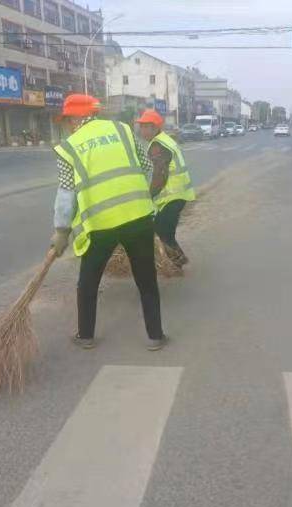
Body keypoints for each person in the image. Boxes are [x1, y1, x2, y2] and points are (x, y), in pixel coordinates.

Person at [50, 94, 167, 351]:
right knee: (146, 279)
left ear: (79, 116)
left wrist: (61, 231)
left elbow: (66, 194)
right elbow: (147, 166)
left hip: (101, 224)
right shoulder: (122, 130)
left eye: (69, 119)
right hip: (138, 217)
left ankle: (86, 336)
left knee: (89, 281)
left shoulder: (69, 147)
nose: (68, 125)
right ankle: (155, 336)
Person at [135, 109, 196, 267]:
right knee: (165, 230)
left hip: (173, 196)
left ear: (155, 127)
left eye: (145, 126)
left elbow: (159, 176)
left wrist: (149, 196)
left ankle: (179, 263)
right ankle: (178, 262)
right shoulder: (164, 140)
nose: (141, 130)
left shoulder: (157, 145)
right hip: (178, 194)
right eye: (140, 126)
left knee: (162, 230)